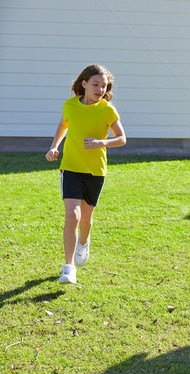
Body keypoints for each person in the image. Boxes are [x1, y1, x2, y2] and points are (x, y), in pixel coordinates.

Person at [45, 64, 126, 284]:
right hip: (71, 167)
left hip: (95, 171)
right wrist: (55, 147)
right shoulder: (70, 105)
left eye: (104, 85)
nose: (100, 89)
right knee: (72, 215)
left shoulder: (107, 110)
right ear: (84, 84)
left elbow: (122, 138)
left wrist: (102, 142)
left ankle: (84, 241)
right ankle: (69, 267)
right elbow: (63, 125)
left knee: (86, 220)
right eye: (95, 84)